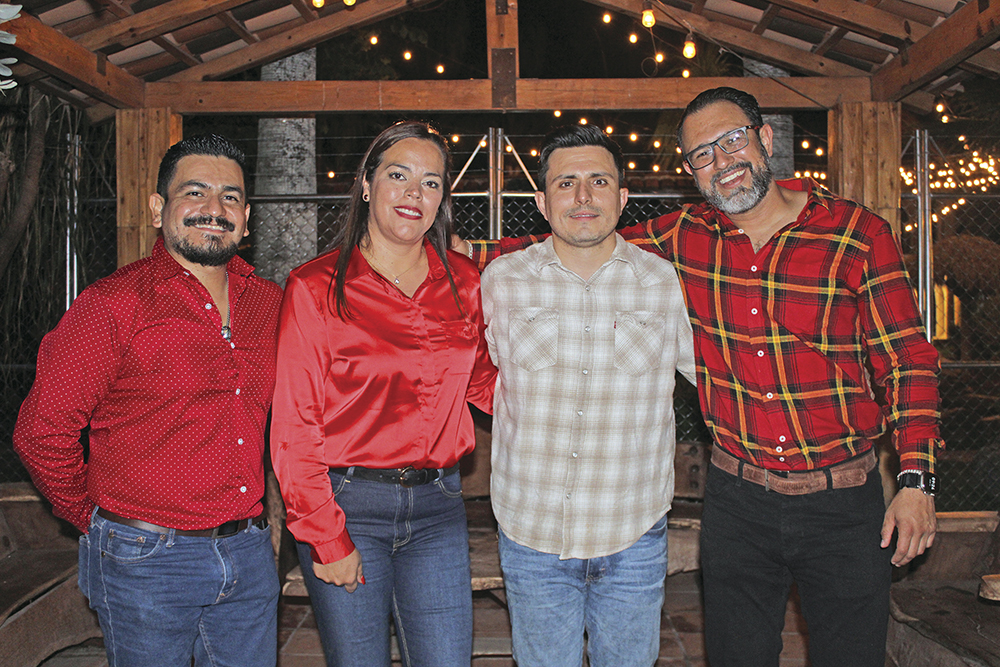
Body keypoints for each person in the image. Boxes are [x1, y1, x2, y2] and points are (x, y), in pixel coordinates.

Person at [461, 87, 943, 667]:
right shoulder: (683, 238)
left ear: (765, 139)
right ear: (691, 171)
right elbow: (581, 237)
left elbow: (908, 361)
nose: (722, 160)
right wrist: (450, 249)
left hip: (841, 497)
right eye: (702, 154)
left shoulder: (856, 233)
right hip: (739, 501)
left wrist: (916, 480)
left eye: (732, 140)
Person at [13, 134, 282, 667]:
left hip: (248, 554)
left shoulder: (269, 304)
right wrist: (98, 521)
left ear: (247, 218)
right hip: (145, 561)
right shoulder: (113, 304)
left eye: (230, 197)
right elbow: (42, 432)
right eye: (195, 192)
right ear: (159, 209)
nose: (214, 208)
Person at [270, 120, 496, 667]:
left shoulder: (465, 281)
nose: (415, 192)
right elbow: (294, 428)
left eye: (431, 182)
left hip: (439, 507)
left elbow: (486, 383)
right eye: (399, 176)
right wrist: (325, 537)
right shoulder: (315, 287)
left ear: (442, 199)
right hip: (348, 506)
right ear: (367, 185)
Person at [480, 124, 696, 667]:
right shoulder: (501, 281)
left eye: (599, 181)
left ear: (622, 198)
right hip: (531, 532)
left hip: (633, 531)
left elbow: (716, 381)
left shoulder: (665, 283)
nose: (582, 197)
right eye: (566, 183)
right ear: (541, 202)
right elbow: (471, 374)